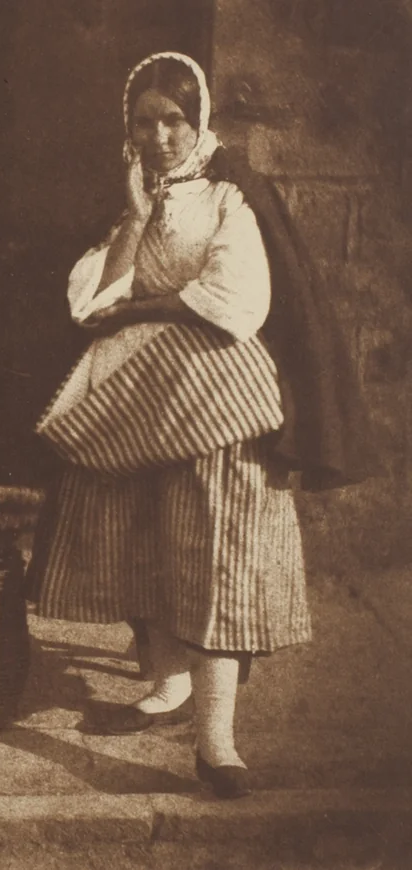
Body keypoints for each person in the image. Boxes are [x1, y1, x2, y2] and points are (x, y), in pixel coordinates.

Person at [29, 53, 373, 799]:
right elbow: (91, 303)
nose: (158, 137)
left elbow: (236, 296)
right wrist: (136, 214)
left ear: (199, 119)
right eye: (143, 121)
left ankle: (217, 742)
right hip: (134, 393)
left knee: (217, 553)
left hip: (214, 390)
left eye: (172, 120)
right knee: (141, 536)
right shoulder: (135, 198)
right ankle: (166, 686)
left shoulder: (230, 193)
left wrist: (146, 307)